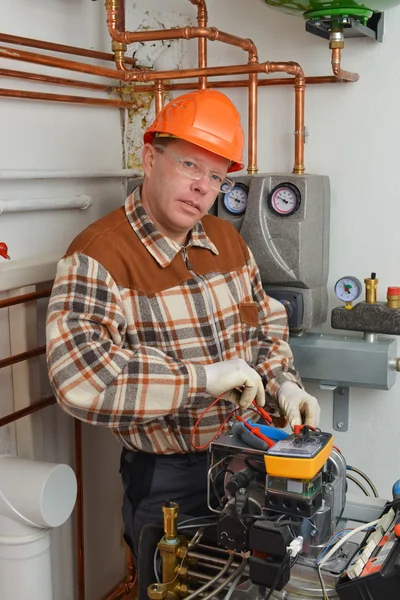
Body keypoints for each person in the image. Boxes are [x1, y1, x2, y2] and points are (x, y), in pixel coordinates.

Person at [46, 89, 320, 570]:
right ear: (150, 158)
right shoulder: (97, 256)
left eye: (215, 176)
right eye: (191, 166)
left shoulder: (227, 240)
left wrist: (286, 385)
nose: (202, 187)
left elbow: (264, 330)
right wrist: (202, 380)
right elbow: (78, 380)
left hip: (251, 458)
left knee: (254, 581)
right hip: (169, 479)